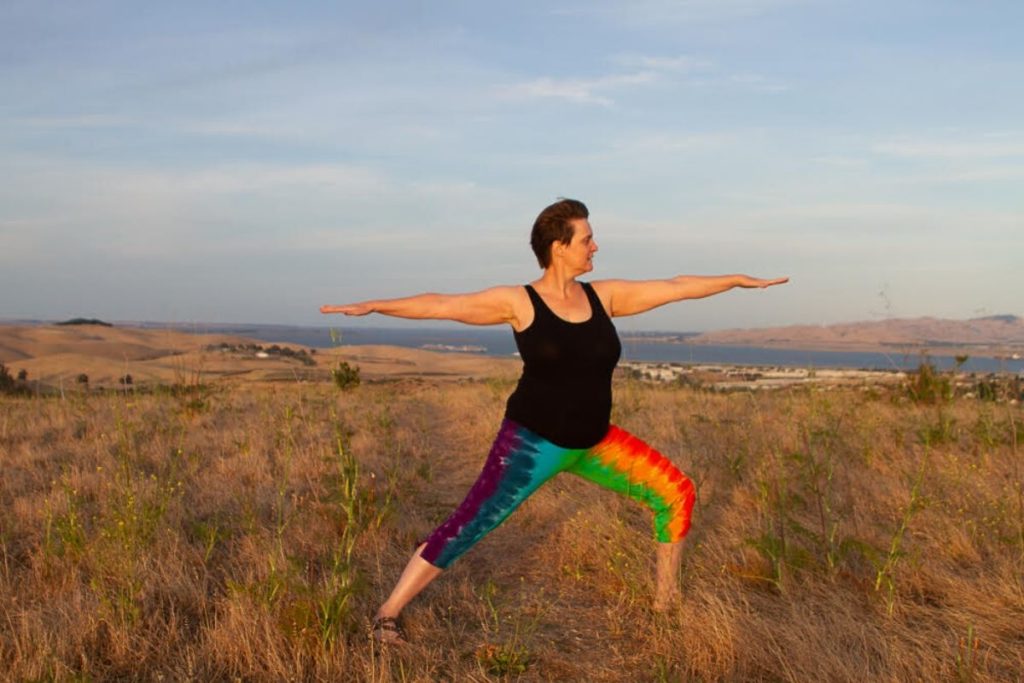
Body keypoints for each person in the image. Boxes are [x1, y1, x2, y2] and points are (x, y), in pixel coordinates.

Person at [320, 198, 788, 643]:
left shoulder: (603, 297)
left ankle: (666, 605)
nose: (595, 245)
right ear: (558, 246)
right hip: (530, 446)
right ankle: (387, 614)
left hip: (595, 442)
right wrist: (376, 306)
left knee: (675, 491)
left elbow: (675, 286)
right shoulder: (519, 302)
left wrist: (736, 280)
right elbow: (442, 303)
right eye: (587, 238)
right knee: (468, 525)